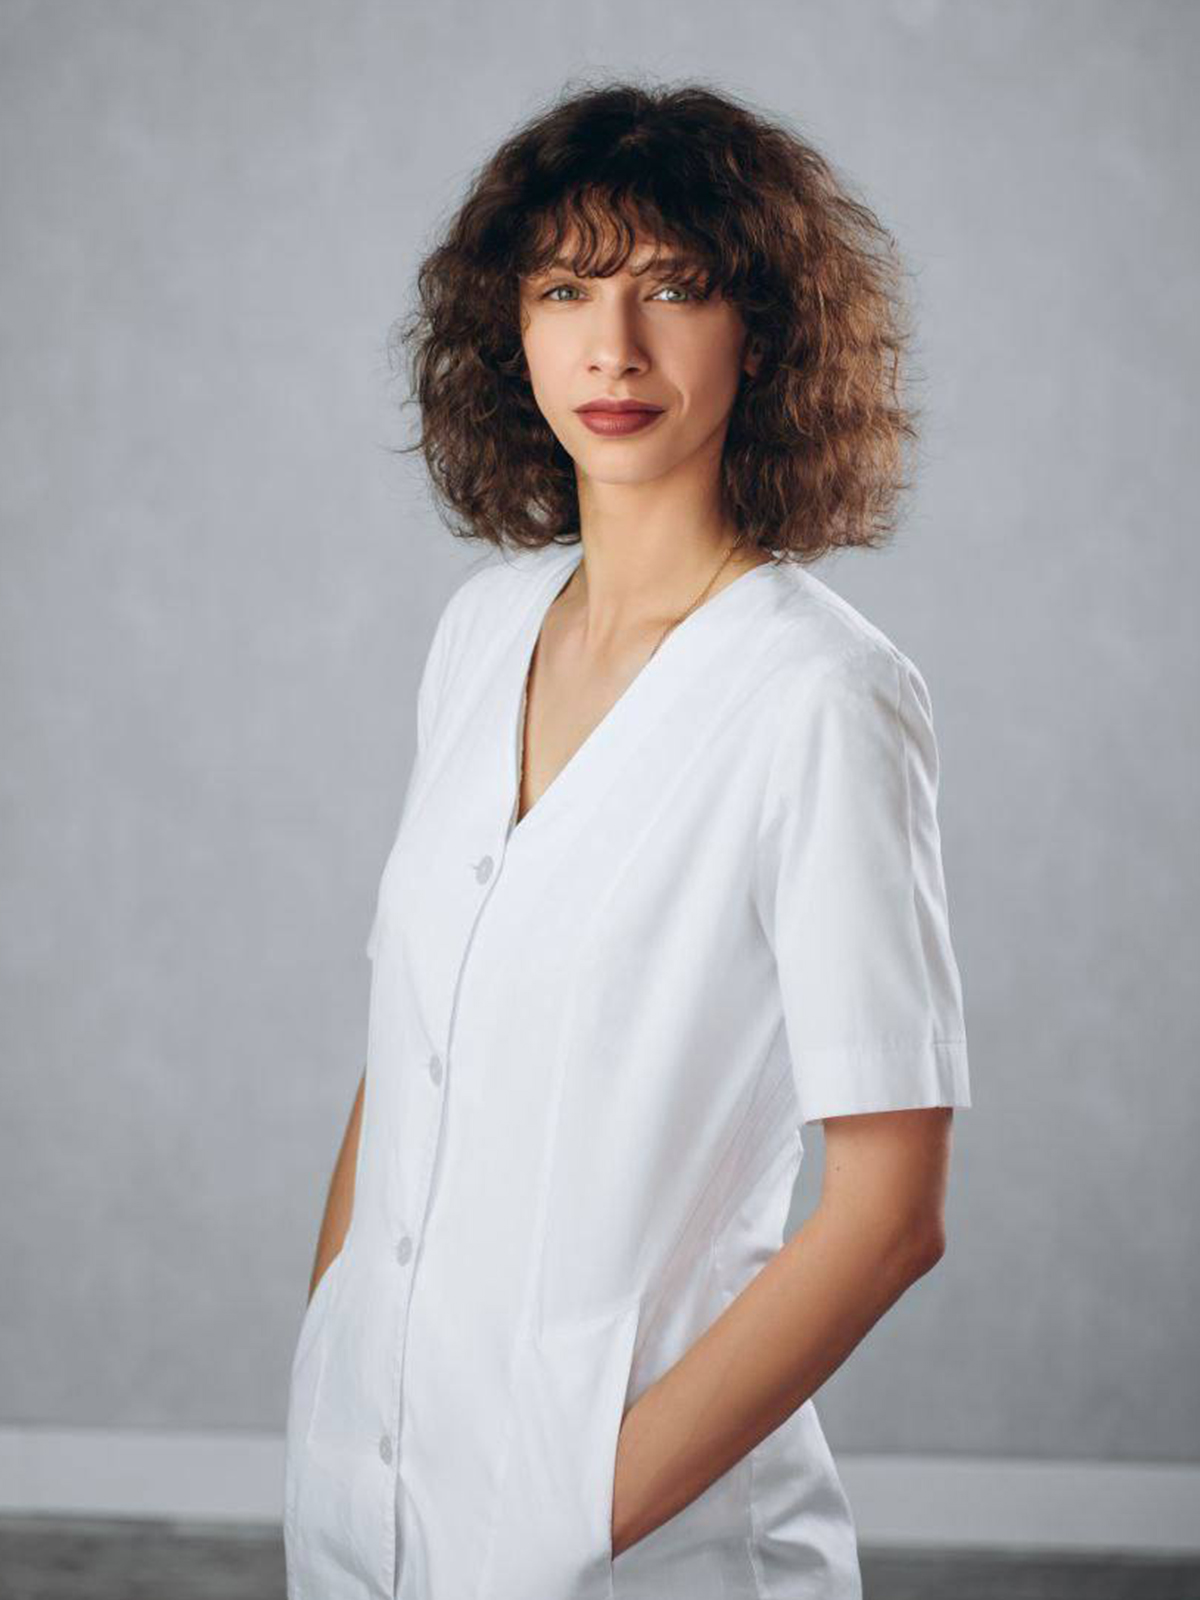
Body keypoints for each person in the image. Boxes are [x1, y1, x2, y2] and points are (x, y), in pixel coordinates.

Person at [283, 78, 971, 1600]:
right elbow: (414, 1041)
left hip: (647, 1540)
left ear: (763, 331)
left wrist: (576, 1512)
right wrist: (334, 1345)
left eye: (675, 288)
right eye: (565, 290)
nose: (614, 346)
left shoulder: (822, 696)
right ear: (510, 329)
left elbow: (889, 1218)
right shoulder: (482, 631)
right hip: (367, 1493)